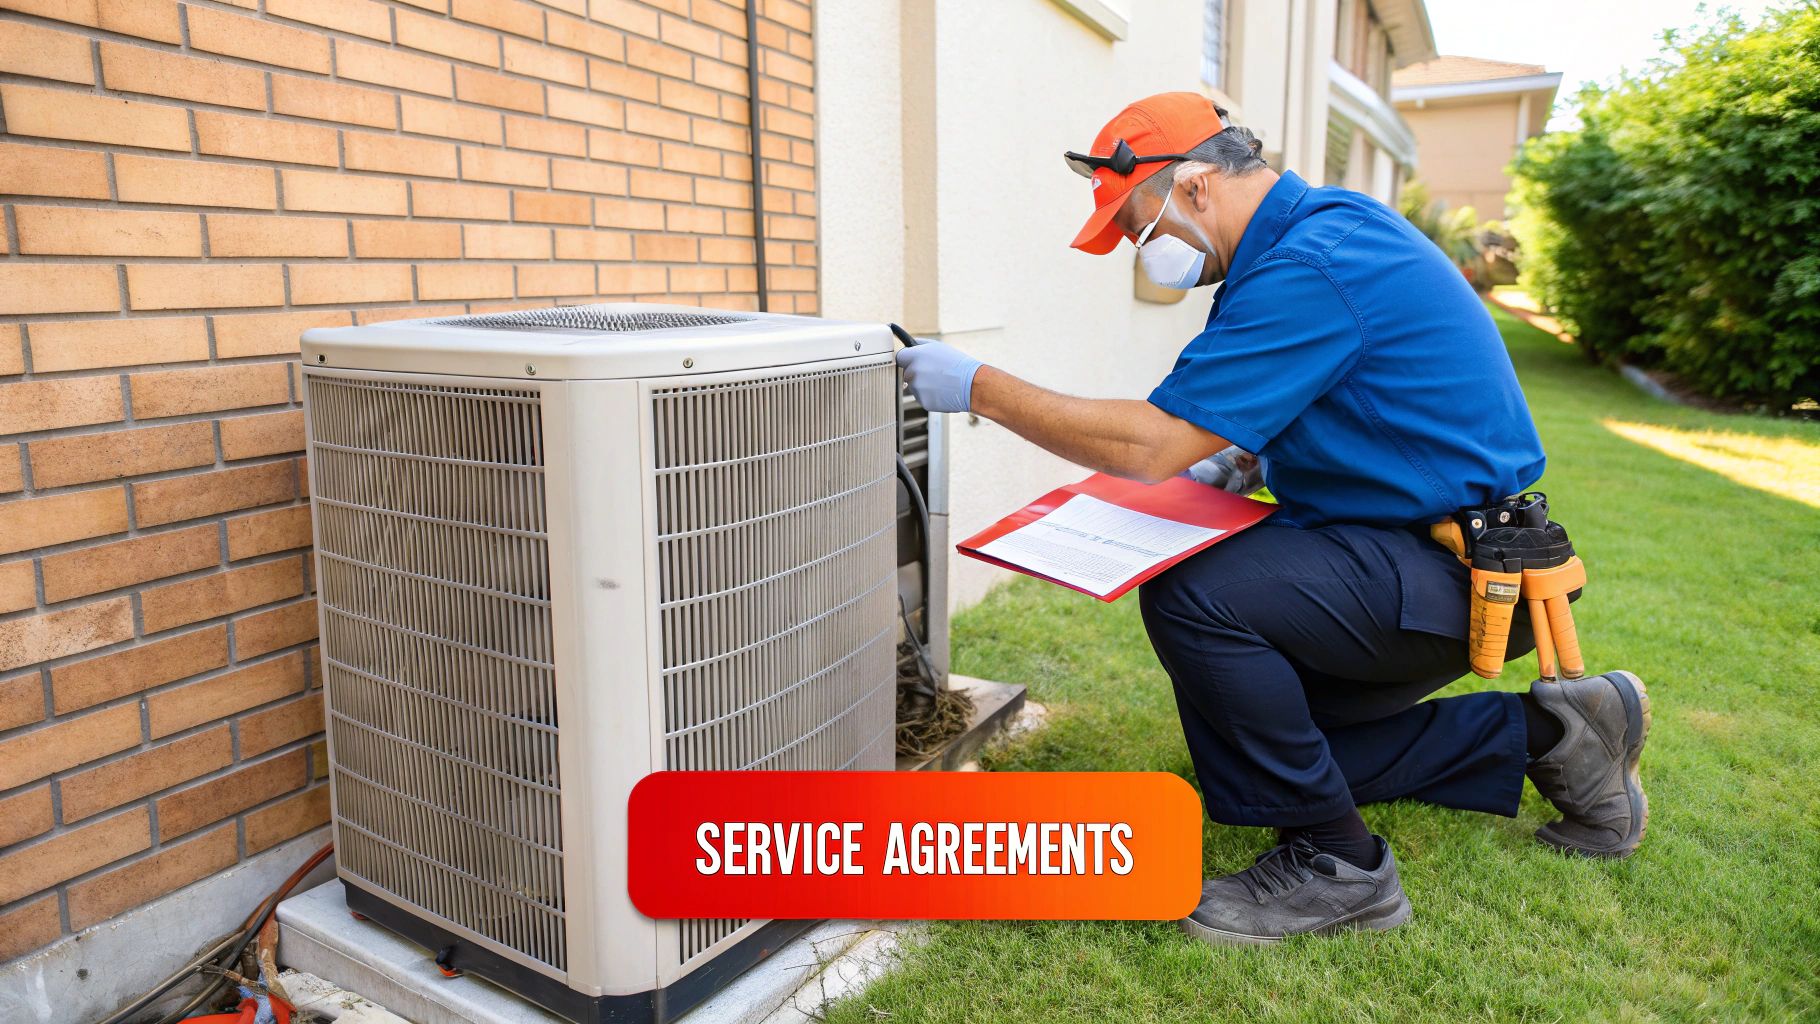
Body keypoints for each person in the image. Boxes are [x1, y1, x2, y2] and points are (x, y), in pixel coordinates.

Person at [895, 92, 1650, 946]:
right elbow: (1308, 409)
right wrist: (1230, 462)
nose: (1145, 256)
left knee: (1195, 593)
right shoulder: (1301, 245)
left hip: (1454, 571)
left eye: (1142, 229)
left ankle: (1340, 867)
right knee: (1252, 753)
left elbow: (1150, 444)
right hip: (1415, 548)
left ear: (1198, 184)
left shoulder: (1314, 263)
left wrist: (978, 387)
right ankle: (1553, 733)